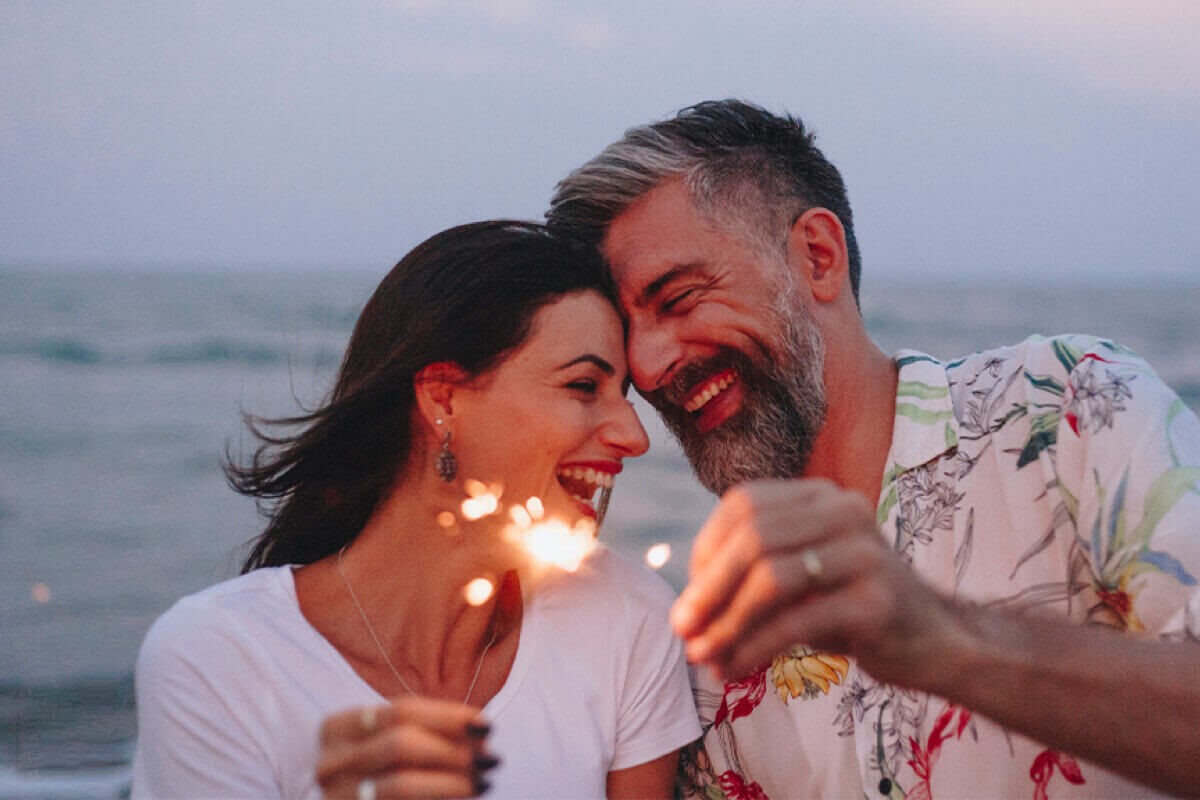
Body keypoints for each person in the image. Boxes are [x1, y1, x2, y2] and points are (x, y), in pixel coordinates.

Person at [547, 100, 1200, 799]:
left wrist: (940, 639)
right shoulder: (715, 650)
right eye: (628, 333)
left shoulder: (1067, 411)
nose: (647, 368)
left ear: (818, 259)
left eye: (678, 300)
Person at [131, 221, 700, 799]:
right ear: (442, 398)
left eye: (624, 397)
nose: (633, 436)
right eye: (583, 386)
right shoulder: (218, 660)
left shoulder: (626, 618)